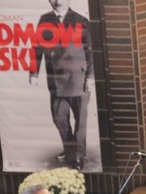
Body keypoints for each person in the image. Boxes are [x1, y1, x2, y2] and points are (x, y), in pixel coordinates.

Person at [29, 0, 93, 170]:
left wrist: (91, 77)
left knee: (80, 121)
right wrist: (34, 73)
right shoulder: (45, 20)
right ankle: (71, 150)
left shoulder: (81, 20)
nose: (57, 0)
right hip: (56, 79)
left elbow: (91, 50)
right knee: (59, 118)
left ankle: (78, 157)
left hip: (79, 79)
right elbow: (37, 47)